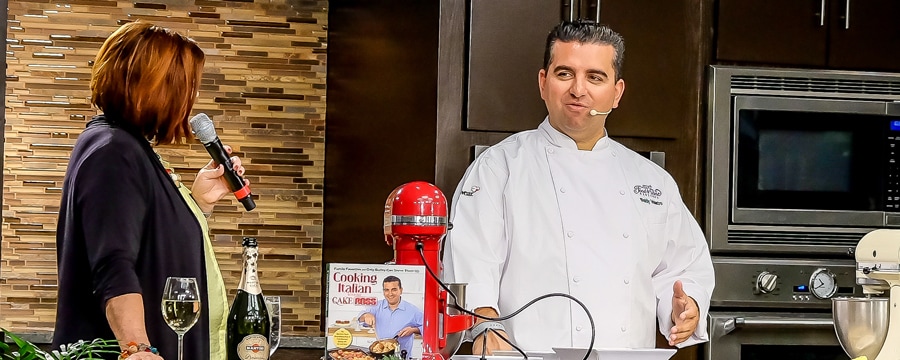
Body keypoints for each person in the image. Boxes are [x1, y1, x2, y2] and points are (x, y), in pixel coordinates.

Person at [442, 20, 715, 354]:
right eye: (564, 73)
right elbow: (471, 262)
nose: (578, 90)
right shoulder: (500, 168)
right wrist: (484, 323)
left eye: (595, 77)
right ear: (543, 83)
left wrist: (686, 307)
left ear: (617, 93)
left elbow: (684, 266)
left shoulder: (651, 180)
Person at [53, 21, 247, 360]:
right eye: (186, 87)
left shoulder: (124, 147)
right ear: (156, 87)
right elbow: (112, 263)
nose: (190, 100)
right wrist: (137, 348)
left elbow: (147, 241)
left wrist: (197, 203)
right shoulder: (113, 152)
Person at [358, 276, 424, 357]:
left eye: (394, 289)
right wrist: (365, 315)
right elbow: (360, 318)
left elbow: (427, 328)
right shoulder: (377, 306)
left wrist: (414, 330)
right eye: (387, 290)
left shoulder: (413, 310)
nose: (390, 294)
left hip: (402, 356)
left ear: (401, 290)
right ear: (383, 291)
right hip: (380, 356)